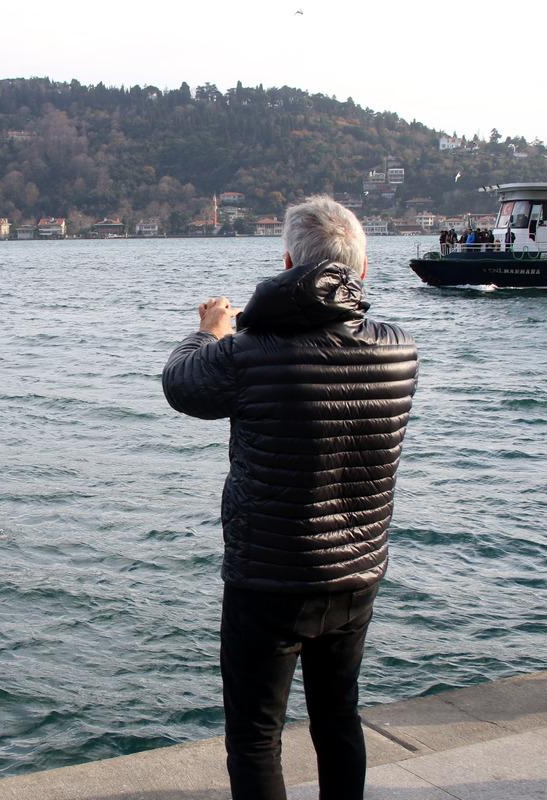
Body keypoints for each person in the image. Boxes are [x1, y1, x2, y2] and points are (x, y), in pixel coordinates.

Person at [161, 196, 418, 800]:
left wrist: (210, 330)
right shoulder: (399, 347)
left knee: (255, 735)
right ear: (363, 269)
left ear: (285, 263)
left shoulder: (248, 352)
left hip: (269, 578)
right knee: (339, 717)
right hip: (357, 571)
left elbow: (181, 384)